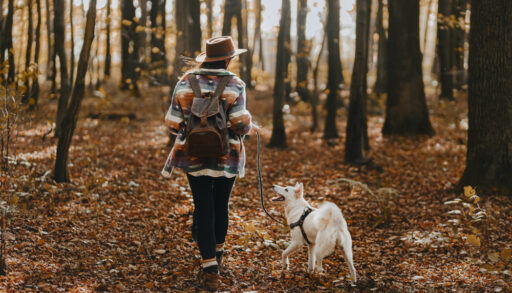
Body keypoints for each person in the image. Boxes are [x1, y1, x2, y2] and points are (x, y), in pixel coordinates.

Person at [162, 36, 258, 291]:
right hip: (227, 156)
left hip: (192, 155)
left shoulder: (185, 82)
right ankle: (218, 254)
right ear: (227, 59)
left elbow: (172, 124)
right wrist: (248, 125)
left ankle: (210, 269)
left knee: (203, 206)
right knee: (221, 205)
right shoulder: (235, 84)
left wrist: (192, 125)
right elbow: (239, 123)